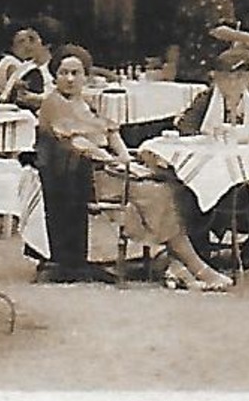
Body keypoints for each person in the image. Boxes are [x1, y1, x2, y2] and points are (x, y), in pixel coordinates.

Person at [38, 50, 232, 290]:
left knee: (173, 187)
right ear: (54, 76)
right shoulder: (52, 104)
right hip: (83, 176)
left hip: (109, 168)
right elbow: (79, 144)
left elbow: (112, 132)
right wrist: (114, 161)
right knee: (155, 194)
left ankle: (176, 264)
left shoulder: (84, 103)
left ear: (85, 76)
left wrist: (126, 157)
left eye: (75, 73)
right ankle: (198, 269)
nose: (69, 79)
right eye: (63, 73)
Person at [177, 48, 249, 141]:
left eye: (239, 77)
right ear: (216, 79)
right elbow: (186, 127)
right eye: (226, 78)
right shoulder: (206, 99)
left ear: (247, 78)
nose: (233, 83)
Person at [0, 24, 55, 110]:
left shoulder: (58, 67)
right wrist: (13, 91)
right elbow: (3, 98)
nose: (27, 45)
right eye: (26, 40)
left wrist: (38, 98)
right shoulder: (23, 68)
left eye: (32, 40)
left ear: (47, 44)